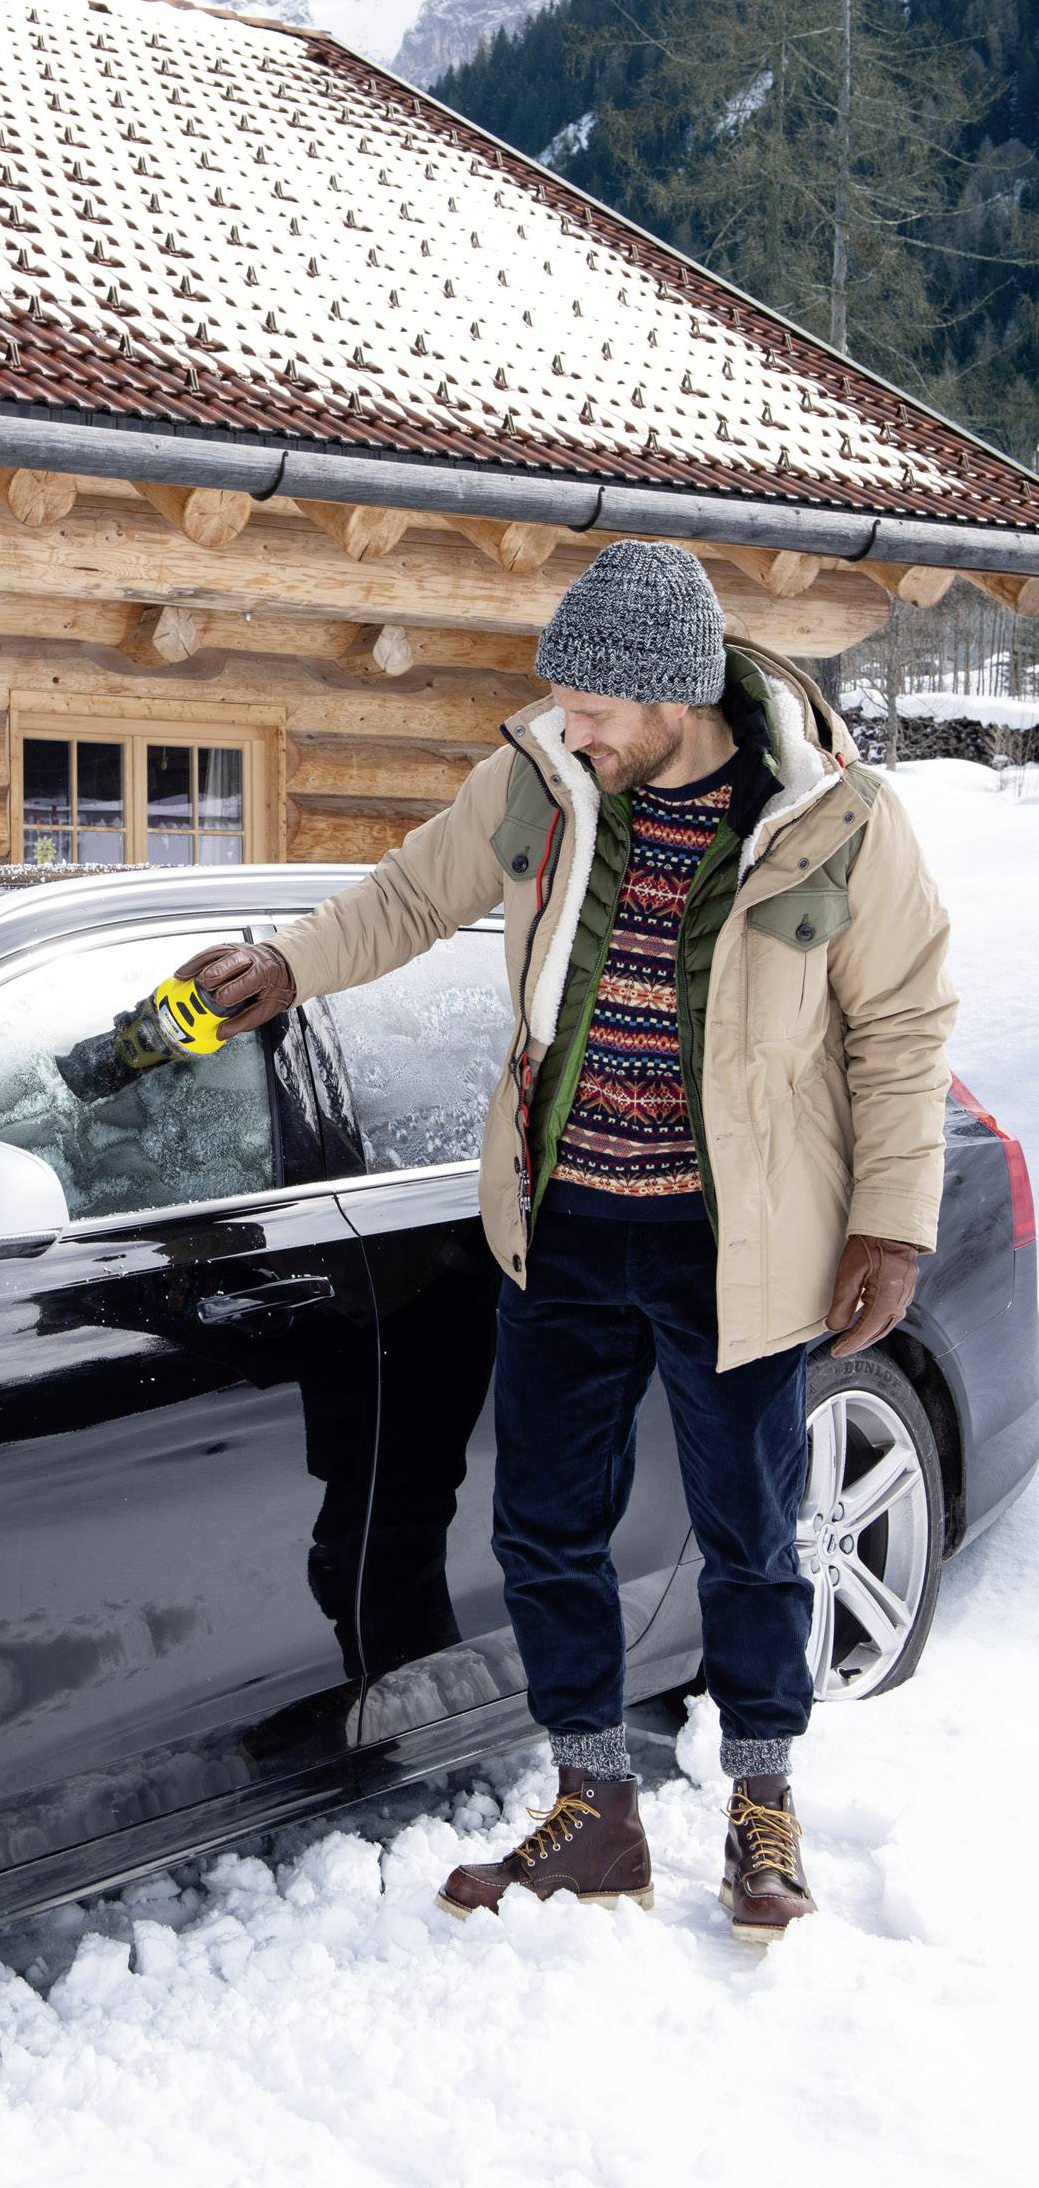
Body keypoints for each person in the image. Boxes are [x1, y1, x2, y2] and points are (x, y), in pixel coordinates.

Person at [176, 537, 958, 1942]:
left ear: (671, 697)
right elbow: (412, 896)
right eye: (563, 701)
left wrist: (890, 1222)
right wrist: (289, 963)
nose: (567, 723)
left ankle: (763, 1807)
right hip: (565, 1227)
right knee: (545, 1526)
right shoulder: (542, 781)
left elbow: (901, 1025)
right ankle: (595, 1807)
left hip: (743, 1243)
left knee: (750, 1535)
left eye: (593, 706)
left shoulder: (837, 816)